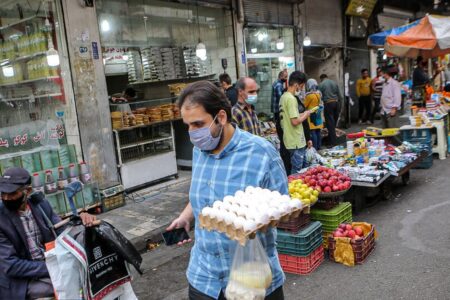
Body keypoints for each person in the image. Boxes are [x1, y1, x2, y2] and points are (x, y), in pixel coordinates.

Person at [167, 80, 287, 299]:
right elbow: (206, 190)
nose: (192, 133)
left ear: (221, 117)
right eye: (187, 125)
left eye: (197, 124)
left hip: (251, 278)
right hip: (204, 279)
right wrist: (187, 215)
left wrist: (249, 219)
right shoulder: (199, 150)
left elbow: (282, 208)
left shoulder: (261, 153)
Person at [0, 167, 96, 300]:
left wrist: (82, 220)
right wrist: (51, 267)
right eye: (3, 193)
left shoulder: (40, 204)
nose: (6, 198)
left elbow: (62, 232)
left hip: (50, 265)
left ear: (27, 191)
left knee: (90, 275)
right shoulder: (1, 218)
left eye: (12, 194)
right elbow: (11, 266)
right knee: (69, 287)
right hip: (22, 279)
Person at [279, 71, 311, 175]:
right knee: (297, 171)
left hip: (289, 139)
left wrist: (303, 113)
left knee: (296, 168)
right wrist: (305, 115)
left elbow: (291, 117)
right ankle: (293, 190)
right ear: (296, 84)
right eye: (301, 86)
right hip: (296, 140)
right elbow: (295, 121)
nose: (301, 89)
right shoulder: (292, 99)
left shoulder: (284, 97)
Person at [319, 74, 343, 147]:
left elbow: (319, 97)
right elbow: (340, 96)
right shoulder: (334, 83)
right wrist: (340, 108)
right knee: (333, 124)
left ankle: (332, 143)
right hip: (336, 103)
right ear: (327, 77)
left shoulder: (321, 84)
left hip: (328, 104)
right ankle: (331, 140)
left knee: (330, 125)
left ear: (321, 79)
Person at [304, 78, 324, 150]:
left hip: (312, 114)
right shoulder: (318, 93)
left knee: (313, 131)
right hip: (318, 113)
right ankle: (319, 146)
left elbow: (305, 105)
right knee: (318, 131)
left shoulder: (309, 95)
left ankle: (314, 147)